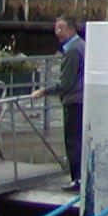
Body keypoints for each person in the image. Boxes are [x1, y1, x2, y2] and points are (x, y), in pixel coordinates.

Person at [33, 17, 84, 190]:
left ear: (71, 29)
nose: (57, 33)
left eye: (61, 28)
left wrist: (44, 91)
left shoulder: (72, 51)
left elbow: (67, 83)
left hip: (75, 100)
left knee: (72, 141)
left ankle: (77, 179)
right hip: (82, 99)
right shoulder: (82, 46)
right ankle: (80, 177)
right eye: (56, 28)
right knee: (78, 139)